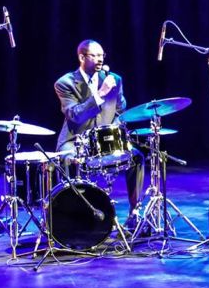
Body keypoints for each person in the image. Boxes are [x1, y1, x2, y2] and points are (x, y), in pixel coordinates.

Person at [54, 39, 144, 222]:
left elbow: (120, 111)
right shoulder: (65, 83)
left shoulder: (114, 80)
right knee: (68, 158)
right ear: (82, 57)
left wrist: (116, 130)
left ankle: (135, 212)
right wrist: (100, 94)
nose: (100, 59)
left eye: (102, 55)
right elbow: (74, 115)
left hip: (105, 140)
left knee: (136, 157)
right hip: (74, 140)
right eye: (94, 55)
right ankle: (68, 215)